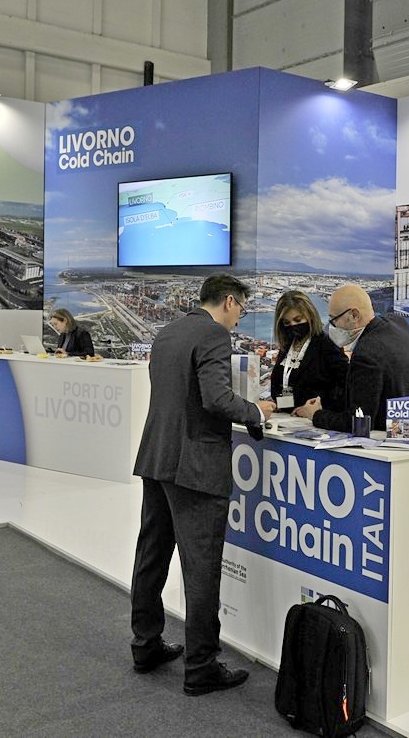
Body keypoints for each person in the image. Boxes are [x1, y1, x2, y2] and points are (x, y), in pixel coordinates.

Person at [129, 274, 276, 695]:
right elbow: (216, 399)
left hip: (157, 456)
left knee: (152, 556)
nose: (239, 319)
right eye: (241, 309)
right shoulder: (213, 335)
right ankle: (201, 665)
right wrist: (257, 411)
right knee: (202, 568)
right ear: (229, 301)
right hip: (195, 467)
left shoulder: (168, 332)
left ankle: (145, 645)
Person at [293, 284, 409, 432]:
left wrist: (315, 415)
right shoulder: (398, 324)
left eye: (333, 320)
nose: (331, 326)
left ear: (354, 315)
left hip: (386, 437)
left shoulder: (366, 354)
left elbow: (358, 423)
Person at [270, 290, 348, 413]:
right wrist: (283, 406)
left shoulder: (327, 344)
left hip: (316, 419)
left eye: (298, 320)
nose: (293, 325)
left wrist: (319, 408)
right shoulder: (287, 346)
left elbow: (344, 386)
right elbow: (282, 381)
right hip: (287, 417)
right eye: (287, 322)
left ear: (310, 316)